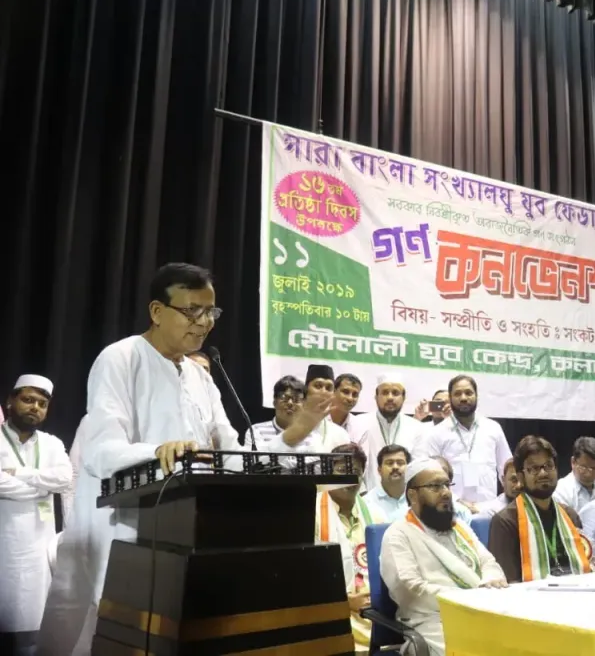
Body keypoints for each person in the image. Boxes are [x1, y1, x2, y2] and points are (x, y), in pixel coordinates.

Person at [38, 262, 332, 656]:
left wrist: (296, 432)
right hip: (121, 527)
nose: (205, 322)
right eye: (192, 311)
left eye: (210, 312)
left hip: (183, 533)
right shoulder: (121, 358)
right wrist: (159, 452)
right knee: (98, 636)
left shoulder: (201, 376)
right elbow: (100, 452)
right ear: (157, 311)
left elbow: (232, 457)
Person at [380, 458, 506, 656]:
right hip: (432, 621)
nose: (446, 492)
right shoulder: (398, 534)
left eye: (447, 484)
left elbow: (488, 561)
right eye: (435, 486)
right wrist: (465, 598)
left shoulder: (459, 527)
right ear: (413, 494)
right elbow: (409, 589)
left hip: (482, 609)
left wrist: (491, 581)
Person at [1, 375, 73, 655]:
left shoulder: (52, 443)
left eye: (42, 404)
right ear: (10, 401)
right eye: (28, 400)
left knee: (33, 614)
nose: (35, 407)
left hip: (37, 544)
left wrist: (20, 474)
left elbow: (64, 478)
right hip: (4, 541)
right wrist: (41, 488)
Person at [488, 436, 592, 582]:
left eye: (548, 466)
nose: (543, 473)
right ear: (520, 476)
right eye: (534, 468)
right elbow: (509, 583)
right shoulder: (505, 522)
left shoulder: (570, 515)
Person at [314, 443, 382, 650]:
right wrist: (344, 601)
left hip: (376, 613)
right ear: (328, 473)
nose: (350, 478)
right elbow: (305, 576)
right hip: (330, 613)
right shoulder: (310, 514)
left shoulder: (376, 515)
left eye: (356, 472)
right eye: (343, 471)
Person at [415, 376, 512, 511]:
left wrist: (502, 502)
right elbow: (430, 476)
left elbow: (507, 469)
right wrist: (458, 502)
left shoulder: (493, 428)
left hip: (490, 510)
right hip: (452, 510)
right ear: (450, 398)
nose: (463, 398)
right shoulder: (436, 433)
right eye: (457, 394)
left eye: (468, 393)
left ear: (477, 396)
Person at [350, 374, 422, 491]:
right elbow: (352, 464)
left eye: (395, 393)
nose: (390, 397)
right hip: (365, 496)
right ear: (376, 397)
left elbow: (418, 468)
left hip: (405, 497)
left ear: (404, 397)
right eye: (384, 393)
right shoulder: (357, 423)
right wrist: (362, 494)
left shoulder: (417, 428)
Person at [552, 436, 595, 512]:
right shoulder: (560, 491)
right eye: (583, 467)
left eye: (594, 468)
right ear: (573, 462)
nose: (588, 474)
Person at [302, 365, 351, 451]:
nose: (323, 392)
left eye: (328, 388)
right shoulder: (288, 428)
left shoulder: (340, 435)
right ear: (305, 391)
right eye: (318, 386)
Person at [363, 444, 411, 522]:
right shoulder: (366, 503)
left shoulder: (417, 500)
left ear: (409, 468)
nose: (395, 467)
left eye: (400, 463)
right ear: (379, 470)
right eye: (389, 463)